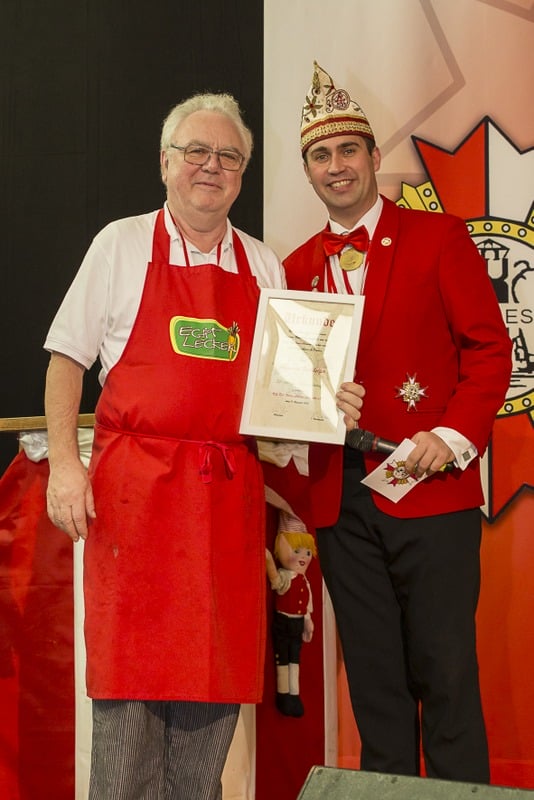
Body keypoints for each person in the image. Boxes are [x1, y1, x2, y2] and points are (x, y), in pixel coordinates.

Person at [42, 92, 367, 800]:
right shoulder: (120, 244)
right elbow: (66, 360)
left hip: (224, 510)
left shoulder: (263, 266)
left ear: (243, 174)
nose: (210, 167)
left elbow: (281, 406)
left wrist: (324, 406)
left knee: (209, 713)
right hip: (134, 507)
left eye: (228, 157)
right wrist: (65, 466)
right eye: (196, 152)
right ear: (165, 163)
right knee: (128, 710)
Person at [283, 62, 512, 783]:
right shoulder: (288, 270)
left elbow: (489, 350)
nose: (337, 166)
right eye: (321, 155)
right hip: (340, 501)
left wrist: (447, 439)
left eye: (348, 150)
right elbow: (283, 395)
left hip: (431, 489)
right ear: (309, 172)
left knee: (444, 674)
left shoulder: (438, 238)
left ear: (375, 158)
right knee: (375, 686)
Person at [265, 486, 317, 718]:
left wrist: (308, 621)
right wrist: (268, 563)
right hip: (283, 622)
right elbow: (277, 584)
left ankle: (294, 694)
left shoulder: (304, 581)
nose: (304, 557)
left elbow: (306, 605)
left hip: (296, 624)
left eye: (307, 552)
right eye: (298, 550)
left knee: (295, 660)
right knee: (283, 660)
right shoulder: (286, 576)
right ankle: (284, 694)